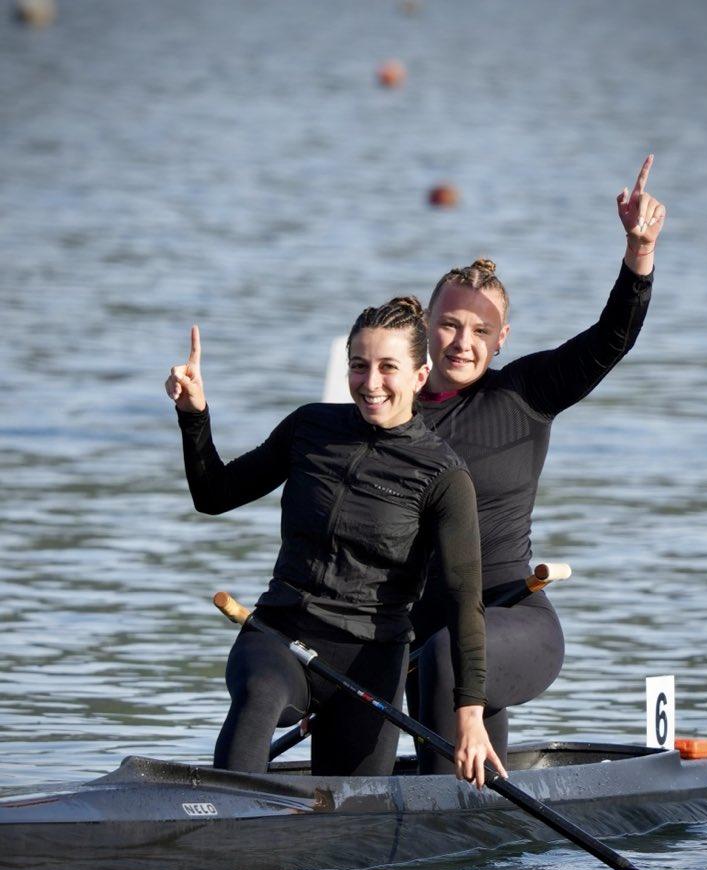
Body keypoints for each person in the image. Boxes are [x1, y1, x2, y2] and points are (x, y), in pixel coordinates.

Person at [165, 296, 507, 786]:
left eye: (388, 367)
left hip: (370, 663)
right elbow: (214, 495)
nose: (370, 383)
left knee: (351, 807)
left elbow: (463, 601)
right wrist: (194, 415)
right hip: (280, 636)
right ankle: (220, 821)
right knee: (260, 691)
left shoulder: (444, 476)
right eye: (358, 366)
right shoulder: (310, 428)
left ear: (419, 375)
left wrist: (469, 714)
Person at [409, 155, 666, 774]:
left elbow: (611, 340)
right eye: (448, 325)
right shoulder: (393, 412)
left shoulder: (524, 394)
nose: (462, 342)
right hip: (424, 633)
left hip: (512, 621)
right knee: (427, 674)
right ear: (425, 327)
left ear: (501, 341)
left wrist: (638, 255)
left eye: (479, 330)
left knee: (445, 657)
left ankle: (453, 835)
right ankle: (473, 856)